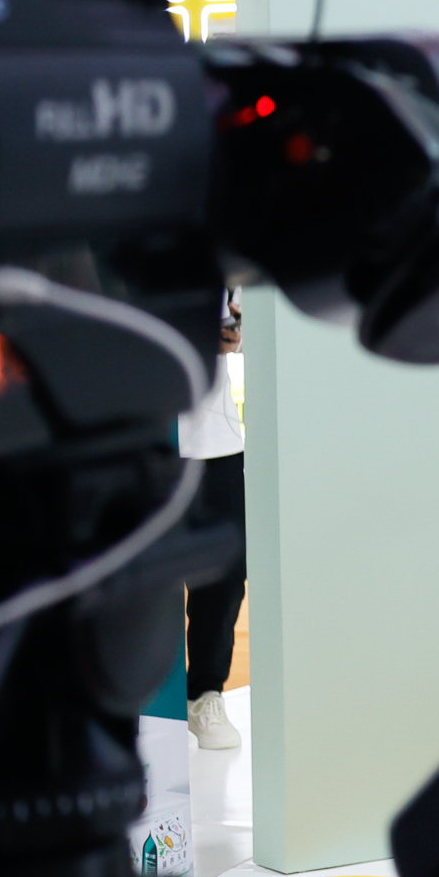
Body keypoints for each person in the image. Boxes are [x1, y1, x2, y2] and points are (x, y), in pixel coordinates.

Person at [183, 291, 244, 750]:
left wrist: (236, 331)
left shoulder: (220, 262)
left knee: (223, 575)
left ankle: (205, 693)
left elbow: (253, 328)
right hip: (136, 434)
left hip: (213, 440)